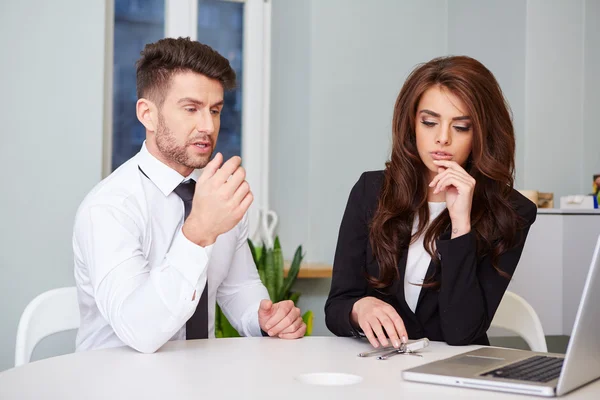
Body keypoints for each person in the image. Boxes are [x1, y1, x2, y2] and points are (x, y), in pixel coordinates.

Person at [73, 37, 305, 353]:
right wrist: (197, 234)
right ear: (147, 114)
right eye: (191, 108)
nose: (208, 126)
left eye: (215, 110)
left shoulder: (215, 196)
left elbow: (239, 289)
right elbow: (140, 331)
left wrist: (263, 319)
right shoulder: (110, 207)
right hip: (118, 384)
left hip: (200, 381)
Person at [324, 56, 537, 349]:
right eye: (429, 122)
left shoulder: (512, 212)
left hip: (454, 378)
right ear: (412, 124)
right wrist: (361, 308)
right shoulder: (371, 191)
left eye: (461, 127)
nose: (442, 139)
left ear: (482, 134)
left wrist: (461, 224)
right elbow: (337, 306)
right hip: (380, 372)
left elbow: (462, 332)